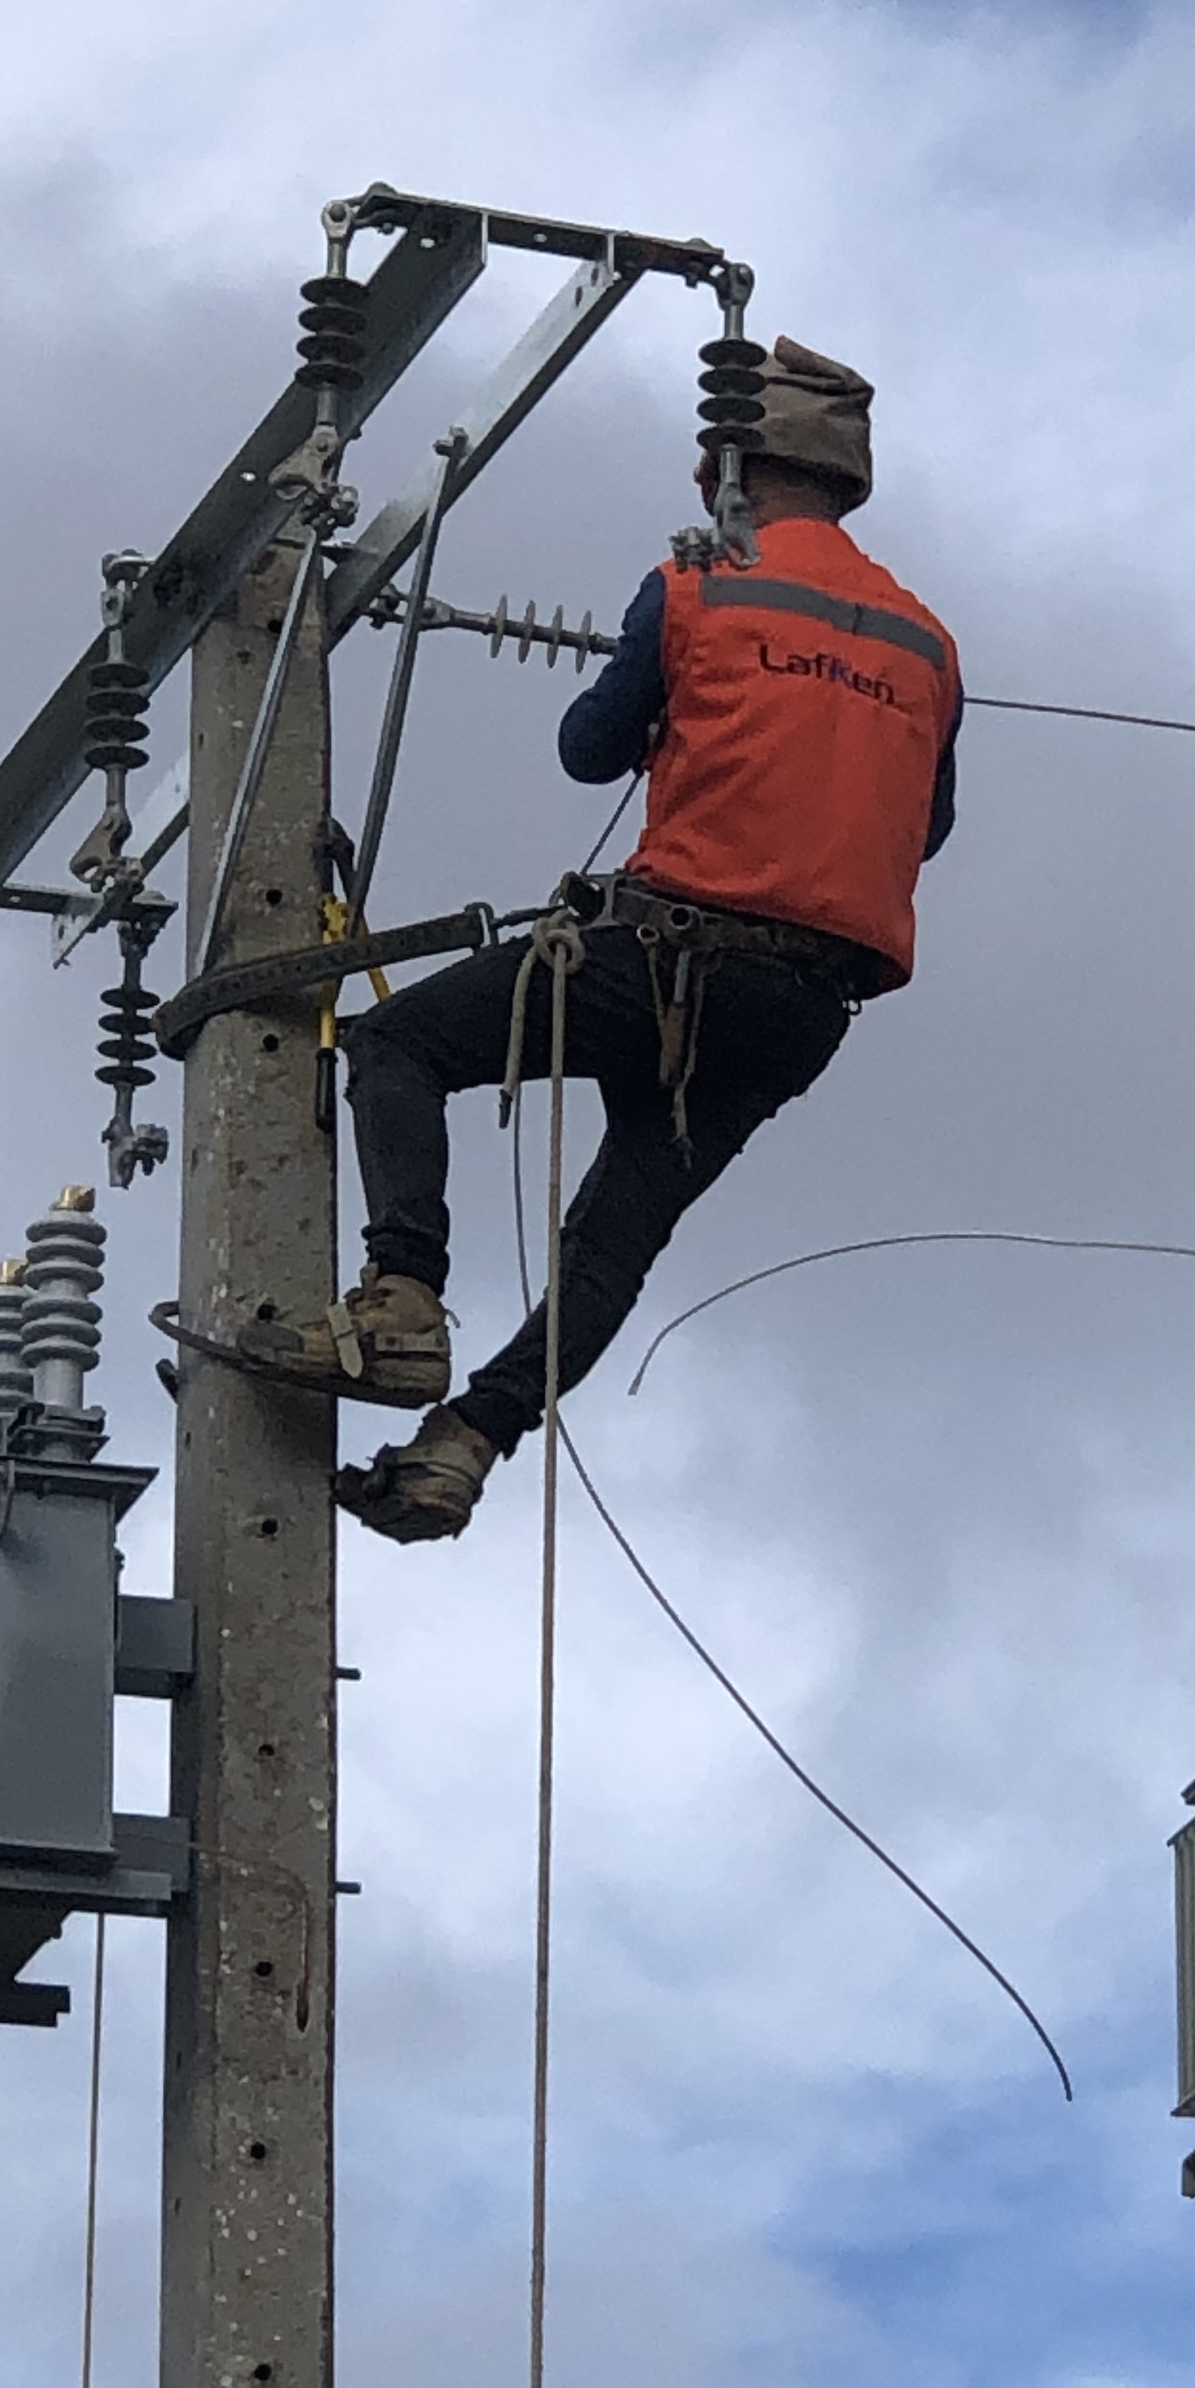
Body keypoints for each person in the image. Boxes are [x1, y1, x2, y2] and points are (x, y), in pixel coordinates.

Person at [252, 338, 961, 1545]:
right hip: (799, 1014)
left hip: (664, 957)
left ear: (729, 471)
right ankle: (464, 1445)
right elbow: (926, 828)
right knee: (616, 1236)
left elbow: (588, 748)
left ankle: (402, 1297)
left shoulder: (696, 590)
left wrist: (680, 701)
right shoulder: (926, 644)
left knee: (401, 1045)